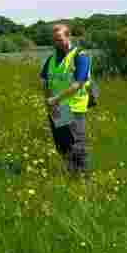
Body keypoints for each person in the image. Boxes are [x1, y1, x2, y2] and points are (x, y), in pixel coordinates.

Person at [40, 23, 91, 174]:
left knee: (77, 145)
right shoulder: (51, 58)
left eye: (60, 40)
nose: (56, 43)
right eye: (54, 40)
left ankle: (82, 178)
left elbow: (78, 83)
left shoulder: (80, 56)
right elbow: (44, 81)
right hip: (57, 108)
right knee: (62, 144)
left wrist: (55, 99)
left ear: (69, 37)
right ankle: (70, 174)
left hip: (74, 108)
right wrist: (50, 102)